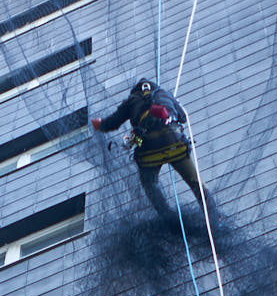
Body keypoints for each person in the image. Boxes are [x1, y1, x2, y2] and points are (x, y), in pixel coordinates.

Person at [91, 78, 212, 217]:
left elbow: (112, 122)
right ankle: (213, 216)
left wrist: (100, 124)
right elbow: (183, 117)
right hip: (174, 144)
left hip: (149, 150)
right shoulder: (165, 94)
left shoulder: (131, 101)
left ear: (135, 91)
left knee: (149, 184)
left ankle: (168, 217)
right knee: (196, 183)